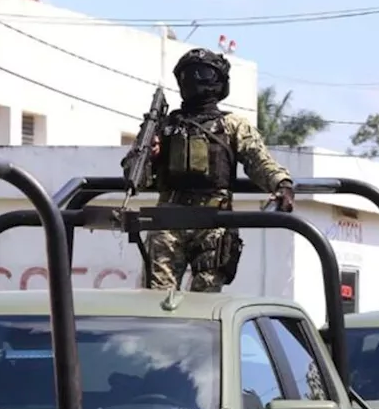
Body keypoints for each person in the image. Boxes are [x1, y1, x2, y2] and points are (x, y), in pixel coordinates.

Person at [123, 48, 295, 293]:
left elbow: (259, 161)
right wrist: (150, 153)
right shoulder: (164, 125)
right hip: (170, 218)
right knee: (156, 301)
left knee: (206, 304)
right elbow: (135, 176)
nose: (196, 80)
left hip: (214, 221)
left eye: (203, 73)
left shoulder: (232, 125)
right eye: (190, 74)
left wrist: (282, 184)